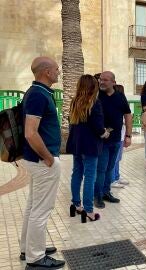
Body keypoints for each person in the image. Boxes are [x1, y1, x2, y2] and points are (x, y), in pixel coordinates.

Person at [20, 56, 65, 269]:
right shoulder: (38, 94)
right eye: (56, 69)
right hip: (42, 161)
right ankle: (36, 258)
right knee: (41, 209)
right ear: (46, 72)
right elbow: (30, 133)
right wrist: (48, 157)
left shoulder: (37, 92)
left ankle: (27, 248)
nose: (59, 72)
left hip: (36, 160)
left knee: (32, 206)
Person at [67, 75, 108, 223]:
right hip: (90, 145)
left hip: (77, 144)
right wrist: (105, 132)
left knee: (76, 173)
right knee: (90, 176)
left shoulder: (74, 102)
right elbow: (97, 127)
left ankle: (76, 205)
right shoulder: (94, 103)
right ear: (92, 87)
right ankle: (89, 210)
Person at [94, 71, 132, 208]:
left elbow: (128, 115)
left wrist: (128, 135)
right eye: (100, 79)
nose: (101, 82)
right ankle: (97, 196)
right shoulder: (96, 96)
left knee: (110, 168)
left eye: (105, 80)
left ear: (113, 82)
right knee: (101, 169)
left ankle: (106, 192)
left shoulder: (120, 96)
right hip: (101, 140)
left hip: (116, 140)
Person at [111, 84, 129, 188]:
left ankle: (117, 176)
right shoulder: (116, 103)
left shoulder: (121, 103)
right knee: (115, 159)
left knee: (118, 159)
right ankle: (112, 179)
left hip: (121, 135)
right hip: (117, 135)